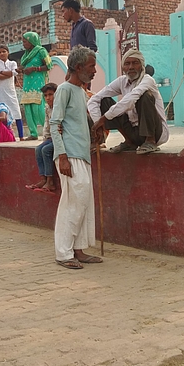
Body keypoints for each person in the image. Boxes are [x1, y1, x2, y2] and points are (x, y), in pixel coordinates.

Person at [50, 46, 102, 269]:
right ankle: (63, 253)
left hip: (81, 153)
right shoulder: (64, 89)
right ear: (79, 67)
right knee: (72, 203)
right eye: (91, 66)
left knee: (82, 203)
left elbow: (78, 121)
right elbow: (55, 123)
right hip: (69, 154)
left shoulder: (81, 91)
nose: (94, 71)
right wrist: (62, 156)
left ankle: (78, 249)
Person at [89, 48, 169, 155]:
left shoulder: (148, 80)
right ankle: (129, 141)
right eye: (127, 64)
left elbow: (130, 99)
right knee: (104, 100)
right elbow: (94, 99)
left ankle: (150, 141)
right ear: (123, 67)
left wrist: (104, 118)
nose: (131, 67)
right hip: (133, 132)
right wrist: (97, 124)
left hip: (156, 133)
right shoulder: (121, 81)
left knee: (144, 96)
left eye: (135, 63)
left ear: (142, 66)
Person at [18, 32, 52, 140]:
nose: (23, 44)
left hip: (38, 82)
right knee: (28, 108)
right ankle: (33, 133)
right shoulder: (26, 54)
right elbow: (25, 65)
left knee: (39, 108)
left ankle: (48, 131)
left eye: (25, 41)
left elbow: (49, 65)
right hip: (27, 84)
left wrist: (34, 69)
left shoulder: (41, 51)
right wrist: (21, 70)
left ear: (31, 41)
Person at [26, 82, 57, 194]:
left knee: (46, 150)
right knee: (38, 149)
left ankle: (50, 181)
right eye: (46, 95)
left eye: (50, 94)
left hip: (62, 138)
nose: (48, 98)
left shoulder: (59, 107)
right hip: (52, 137)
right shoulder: (48, 108)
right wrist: (46, 139)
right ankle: (43, 179)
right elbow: (47, 125)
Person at [0, 44, 24, 140]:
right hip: (0, 91)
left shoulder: (12, 63)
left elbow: (14, 73)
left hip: (11, 91)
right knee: (2, 112)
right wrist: (8, 73)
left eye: (4, 51)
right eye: (0, 52)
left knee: (16, 112)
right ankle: (2, 136)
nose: (2, 54)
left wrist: (2, 72)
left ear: (8, 52)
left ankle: (21, 136)